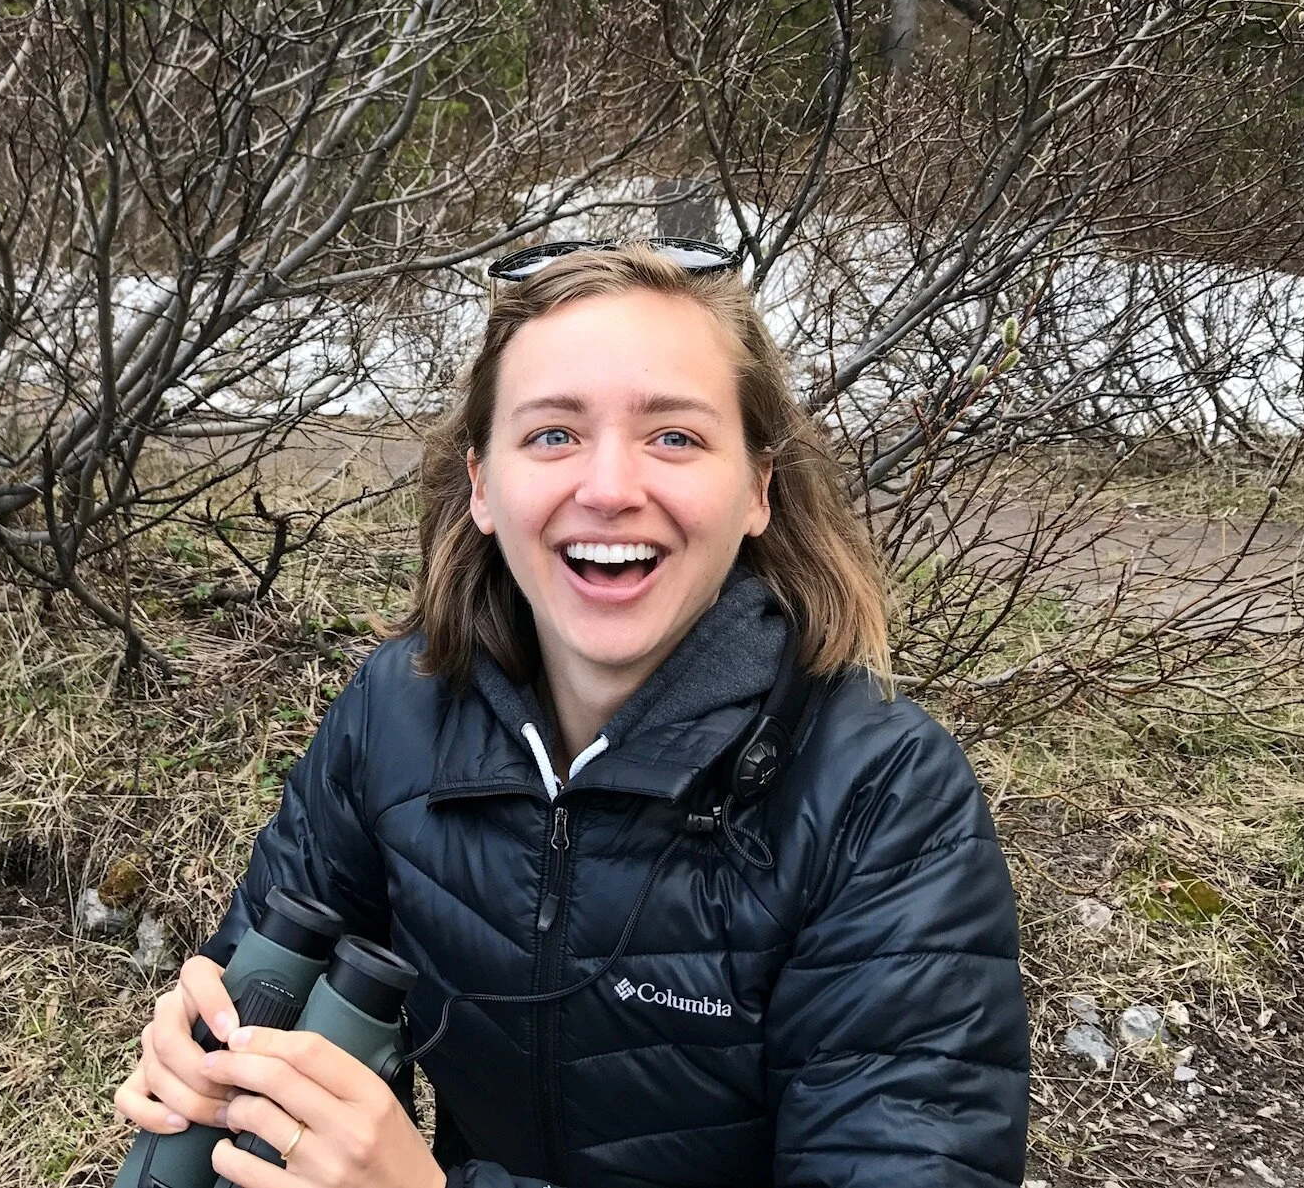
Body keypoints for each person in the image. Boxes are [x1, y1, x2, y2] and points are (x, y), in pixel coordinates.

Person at [112, 240, 1031, 1188]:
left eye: (673, 435)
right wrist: (206, 1051)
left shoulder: (879, 797)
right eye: (552, 434)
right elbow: (265, 969)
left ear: (758, 487)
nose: (607, 486)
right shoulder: (394, 714)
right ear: (481, 484)